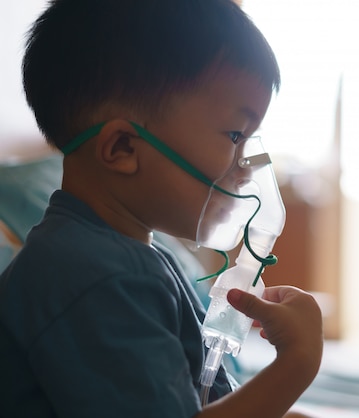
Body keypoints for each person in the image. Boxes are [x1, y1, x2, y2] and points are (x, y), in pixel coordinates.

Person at [0, 0, 323, 417]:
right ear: (122, 148)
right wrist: (297, 364)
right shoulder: (94, 279)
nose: (251, 166)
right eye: (234, 134)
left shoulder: (128, 258)